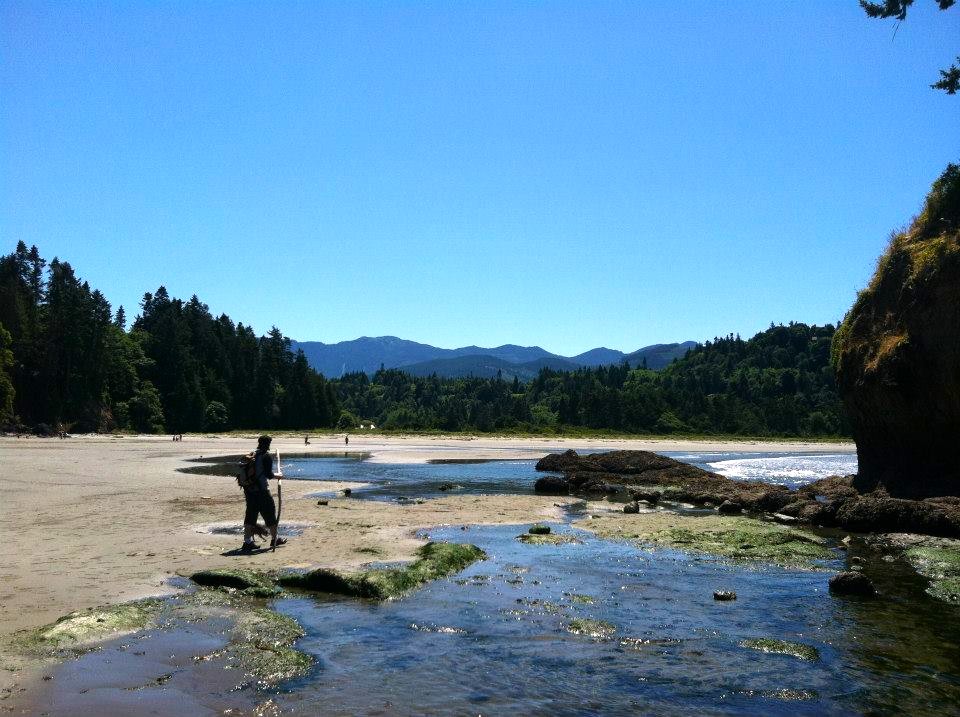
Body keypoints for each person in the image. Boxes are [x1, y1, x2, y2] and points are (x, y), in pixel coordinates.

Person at [241, 435, 287, 553]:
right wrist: (279, 476)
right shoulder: (266, 456)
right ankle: (275, 539)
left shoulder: (253, 454)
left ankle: (247, 542)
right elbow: (268, 475)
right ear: (268, 444)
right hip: (262, 491)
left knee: (250, 516)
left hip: (250, 491)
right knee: (270, 515)